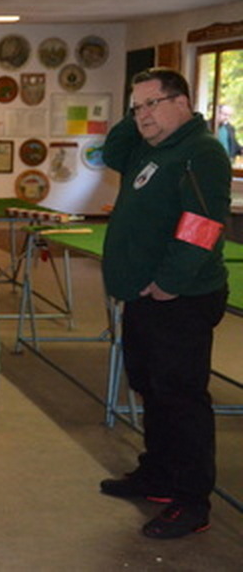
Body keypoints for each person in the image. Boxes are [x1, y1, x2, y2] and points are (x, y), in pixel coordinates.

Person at [99, 67, 231, 539]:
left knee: (181, 399)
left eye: (151, 104)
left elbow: (203, 224)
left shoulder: (201, 151)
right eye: (136, 107)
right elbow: (111, 152)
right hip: (146, 296)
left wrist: (170, 282)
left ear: (182, 102)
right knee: (151, 389)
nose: (142, 116)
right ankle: (157, 474)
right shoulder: (148, 146)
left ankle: (192, 500)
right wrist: (137, 114)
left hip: (179, 298)